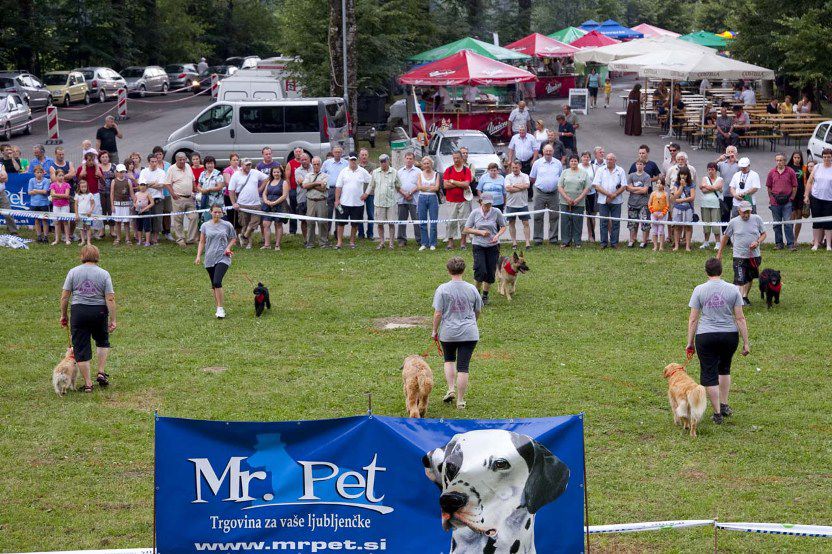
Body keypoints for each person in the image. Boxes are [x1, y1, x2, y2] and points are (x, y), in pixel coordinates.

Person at [687, 258, 750, 425]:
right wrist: (746, 342)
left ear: (706, 272)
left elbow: (693, 319)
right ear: (721, 271)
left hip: (706, 336)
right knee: (724, 369)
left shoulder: (699, 290)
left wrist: (690, 342)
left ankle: (717, 413)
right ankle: (724, 404)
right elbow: (740, 318)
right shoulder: (733, 289)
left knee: (709, 373)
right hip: (729, 335)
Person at [60, 244, 116, 393]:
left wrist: (64, 315)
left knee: (80, 347)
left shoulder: (73, 272)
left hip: (79, 312)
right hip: (99, 312)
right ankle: (101, 372)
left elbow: (65, 297)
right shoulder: (104, 274)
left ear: (81, 256)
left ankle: (88, 384)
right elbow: (110, 298)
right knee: (102, 341)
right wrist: (113, 319)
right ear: (97, 256)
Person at [432, 256, 482, 410]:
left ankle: (450, 389)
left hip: (448, 333)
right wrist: (473, 321)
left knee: (449, 360)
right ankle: (460, 400)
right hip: (469, 332)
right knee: (463, 367)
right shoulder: (472, 288)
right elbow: (478, 310)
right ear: (464, 270)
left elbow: (438, 313)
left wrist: (434, 330)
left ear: (448, 270)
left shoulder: (442, 289)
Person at [718, 201, 766, 305]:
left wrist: (757, 242)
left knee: (750, 277)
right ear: (739, 211)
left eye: (748, 212)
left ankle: (745, 297)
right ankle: (737, 300)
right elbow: (725, 237)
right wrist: (719, 253)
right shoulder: (733, 222)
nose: (746, 214)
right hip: (739, 255)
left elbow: (763, 234)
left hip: (754, 255)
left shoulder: (757, 219)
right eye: (744, 212)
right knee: (739, 279)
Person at [195, 204, 237, 319]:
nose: (217, 214)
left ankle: (220, 308)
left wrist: (228, 248)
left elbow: (233, 238)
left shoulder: (227, 225)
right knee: (214, 284)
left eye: (219, 212)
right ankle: (218, 306)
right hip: (209, 258)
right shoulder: (205, 226)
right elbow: (202, 242)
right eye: (215, 212)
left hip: (223, 257)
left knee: (217, 281)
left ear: (222, 213)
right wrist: (198, 256)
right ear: (210, 212)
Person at [463, 193, 506, 305]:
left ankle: (485, 296)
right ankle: (475, 296)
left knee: (490, 272)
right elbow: (466, 229)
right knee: (480, 270)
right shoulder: (475, 213)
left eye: (490, 204)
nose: (488, 206)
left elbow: (503, 226)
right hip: (478, 245)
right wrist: (479, 232)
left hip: (493, 246)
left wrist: (497, 235)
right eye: (486, 204)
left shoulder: (496, 212)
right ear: (481, 202)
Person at [229, 158, 269, 248]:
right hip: (242, 203)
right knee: (245, 224)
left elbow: (267, 178)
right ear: (242, 165)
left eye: (250, 164)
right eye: (246, 165)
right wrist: (233, 203)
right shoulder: (236, 175)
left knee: (255, 222)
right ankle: (248, 243)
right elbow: (231, 190)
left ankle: (244, 236)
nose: (248, 166)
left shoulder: (255, 172)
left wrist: (260, 188)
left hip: (256, 203)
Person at [334, 154, 371, 249]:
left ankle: (352, 242)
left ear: (357, 160)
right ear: (348, 161)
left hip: (358, 204)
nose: (353, 162)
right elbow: (338, 187)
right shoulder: (343, 172)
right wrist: (337, 200)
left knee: (355, 224)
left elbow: (372, 182)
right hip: (344, 203)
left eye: (354, 160)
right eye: (351, 160)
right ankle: (339, 242)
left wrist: (366, 193)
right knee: (340, 223)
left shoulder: (362, 171)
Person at [592, 153, 627, 249]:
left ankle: (614, 243)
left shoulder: (620, 170)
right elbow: (596, 185)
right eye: (607, 159)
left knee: (616, 222)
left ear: (615, 160)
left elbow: (624, 185)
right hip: (603, 200)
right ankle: (603, 243)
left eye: (611, 159)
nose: (608, 161)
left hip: (617, 201)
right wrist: (608, 195)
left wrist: (614, 195)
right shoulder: (600, 170)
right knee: (603, 222)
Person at [530, 144, 562, 246]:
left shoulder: (558, 163)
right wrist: (542, 185)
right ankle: (538, 239)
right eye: (546, 151)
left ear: (553, 152)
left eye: (550, 151)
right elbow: (532, 178)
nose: (548, 153)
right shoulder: (537, 163)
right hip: (540, 193)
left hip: (554, 193)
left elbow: (561, 178)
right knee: (538, 216)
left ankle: (553, 238)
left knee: (554, 216)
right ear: (543, 151)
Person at [557, 154, 591, 248]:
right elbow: (560, 186)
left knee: (577, 222)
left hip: (579, 202)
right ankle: (565, 241)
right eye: (571, 161)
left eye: (575, 161)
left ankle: (577, 242)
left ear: (578, 162)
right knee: (565, 222)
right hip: (565, 201)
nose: (573, 163)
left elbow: (587, 187)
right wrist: (567, 198)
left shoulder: (583, 173)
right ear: (569, 162)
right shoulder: (565, 172)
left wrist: (578, 199)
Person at [164, 152, 198, 246]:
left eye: (184, 159)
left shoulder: (187, 166)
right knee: (178, 220)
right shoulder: (172, 169)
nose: (183, 161)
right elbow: (167, 183)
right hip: (178, 198)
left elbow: (192, 179)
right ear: (176, 160)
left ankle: (191, 239)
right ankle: (180, 239)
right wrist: (173, 194)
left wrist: (195, 189)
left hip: (189, 197)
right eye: (180, 160)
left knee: (194, 217)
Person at [766, 153, 798, 250]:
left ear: (785, 161)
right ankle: (779, 243)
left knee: (788, 223)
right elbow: (769, 187)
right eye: (777, 160)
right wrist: (771, 198)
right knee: (777, 223)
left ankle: (790, 244)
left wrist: (791, 198)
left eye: (781, 160)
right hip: (775, 202)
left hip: (787, 202)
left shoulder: (790, 171)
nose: (779, 162)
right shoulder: (772, 172)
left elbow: (795, 186)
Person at [367, 154, 400, 249]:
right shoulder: (375, 172)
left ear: (388, 161)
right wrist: (365, 194)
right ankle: (382, 242)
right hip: (379, 202)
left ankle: (391, 243)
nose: (383, 163)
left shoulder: (394, 172)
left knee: (391, 223)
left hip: (391, 203)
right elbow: (371, 185)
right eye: (381, 161)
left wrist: (403, 195)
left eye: (384, 161)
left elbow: (398, 185)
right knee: (380, 223)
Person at [443, 151, 473, 250]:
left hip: (464, 200)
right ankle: (450, 241)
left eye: (457, 158)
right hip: (451, 201)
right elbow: (445, 185)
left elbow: (466, 184)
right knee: (451, 222)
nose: (456, 160)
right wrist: (460, 183)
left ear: (461, 158)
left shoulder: (466, 170)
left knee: (464, 222)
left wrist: (453, 181)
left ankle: (463, 242)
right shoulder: (449, 170)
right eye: (454, 158)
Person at [804, 148, 832, 251]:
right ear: (822, 157)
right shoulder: (817, 167)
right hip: (816, 198)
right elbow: (810, 182)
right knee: (816, 222)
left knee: (828, 223)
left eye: (828, 157)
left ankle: (828, 245)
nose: (826, 159)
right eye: (824, 157)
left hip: (829, 200)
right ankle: (816, 244)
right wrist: (806, 195)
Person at [138, 154, 167, 244]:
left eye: (156, 161)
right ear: (148, 162)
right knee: (147, 219)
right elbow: (142, 185)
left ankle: (155, 237)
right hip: (145, 198)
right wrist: (153, 183)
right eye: (152, 161)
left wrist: (148, 184)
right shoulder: (144, 171)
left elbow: (161, 186)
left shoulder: (161, 172)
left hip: (157, 198)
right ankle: (147, 238)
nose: (154, 163)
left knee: (157, 218)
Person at [302, 157, 330, 248]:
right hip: (310, 201)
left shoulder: (325, 176)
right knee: (310, 222)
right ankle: (310, 243)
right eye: (314, 164)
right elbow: (304, 185)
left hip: (321, 201)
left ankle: (323, 242)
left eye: (318, 164)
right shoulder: (308, 175)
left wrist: (311, 185)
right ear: (312, 164)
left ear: (321, 165)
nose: (316, 166)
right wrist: (317, 183)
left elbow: (323, 189)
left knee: (322, 222)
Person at [260, 165, 289, 250]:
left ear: (281, 173)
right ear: (272, 173)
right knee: (266, 224)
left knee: (278, 224)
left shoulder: (284, 182)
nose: (276, 174)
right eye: (274, 172)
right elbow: (264, 193)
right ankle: (267, 244)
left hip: (279, 206)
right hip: (267, 205)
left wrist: (274, 202)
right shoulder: (269, 182)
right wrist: (266, 201)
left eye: (278, 172)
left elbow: (284, 196)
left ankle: (277, 245)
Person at [504, 160, 531, 249]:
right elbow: (508, 188)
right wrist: (520, 187)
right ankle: (514, 243)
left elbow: (527, 186)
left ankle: (527, 243)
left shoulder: (525, 176)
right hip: (511, 204)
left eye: (516, 167)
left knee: (526, 223)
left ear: (520, 167)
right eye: (513, 168)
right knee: (511, 223)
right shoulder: (508, 177)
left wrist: (514, 185)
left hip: (523, 204)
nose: (515, 169)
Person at [396, 152, 421, 247]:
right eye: (407, 158)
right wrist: (404, 194)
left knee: (416, 220)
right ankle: (401, 240)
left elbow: (419, 184)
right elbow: (397, 185)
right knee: (401, 220)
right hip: (402, 199)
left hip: (414, 199)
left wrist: (410, 193)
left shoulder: (418, 171)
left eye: (411, 158)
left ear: (413, 160)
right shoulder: (399, 171)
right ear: (404, 159)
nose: (409, 160)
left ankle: (419, 240)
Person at [417, 156, 440, 251]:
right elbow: (419, 187)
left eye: (428, 163)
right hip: (422, 197)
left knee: (433, 222)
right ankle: (424, 243)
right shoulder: (420, 174)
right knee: (422, 221)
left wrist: (425, 187)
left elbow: (436, 188)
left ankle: (433, 243)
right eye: (425, 163)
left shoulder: (436, 174)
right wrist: (430, 187)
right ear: (422, 165)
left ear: (431, 164)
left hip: (433, 198)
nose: (427, 165)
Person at [626, 159, 651, 248]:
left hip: (643, 203)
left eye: (641, 164)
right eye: (637, 164)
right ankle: (632, 240)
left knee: (644, 222)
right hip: (632, 202)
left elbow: (645, 190)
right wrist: (639, 189)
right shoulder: (631, 175)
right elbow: (628, 188)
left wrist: (634, 189)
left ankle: (644, 241)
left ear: (644, 166)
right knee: (632, 222)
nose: (639, 166)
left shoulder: (647, 176)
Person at [699, 162, 724, 250]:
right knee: (706, 223)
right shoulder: (704, 178)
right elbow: (703, 190)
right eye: (709, 169)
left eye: (712, 169)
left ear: (716, 170)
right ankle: (706, 242)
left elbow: (717, 187)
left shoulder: (720, 179)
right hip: (705, 204)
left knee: (715, 224)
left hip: (716, 205)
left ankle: (717, 242)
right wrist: (711, 187)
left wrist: (706, 186)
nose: (710, 171)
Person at [321, 146, 349, 225]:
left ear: (342, 153)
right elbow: (321, 175)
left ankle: (337, 233)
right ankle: (327, 233)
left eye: (339, 152)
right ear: (333, 153)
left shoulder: (346, 163)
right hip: (330, 190)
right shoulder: (327, 163)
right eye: (336, 152)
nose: (337, 154)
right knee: (328, 212)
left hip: (341, 190)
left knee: (340, 211)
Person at [671, 167, 696, 252]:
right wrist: (681, 186)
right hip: (678, 208)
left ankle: (687, 246)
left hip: (688, 208)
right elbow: (675, 196)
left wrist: (681, 200)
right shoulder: (676, 184)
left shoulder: (691, 184)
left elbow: (692, 197)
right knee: (677, 227)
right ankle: (677, 245)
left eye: (685, 174)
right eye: (681, 174)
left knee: (688, 227)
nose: (683, 176)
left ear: (687, 175)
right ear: (679, 175)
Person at [110, 164, 135, 245]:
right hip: (117, 204)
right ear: (116, 172)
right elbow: (112, 194)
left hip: (126, 204)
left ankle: (128, 238)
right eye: (120, 172)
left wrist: (134, 202)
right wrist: (112, 205)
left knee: (127, 222)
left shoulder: (128, 181)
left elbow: (131, 193)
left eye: (123, 172)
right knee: (118, 222)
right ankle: (118, 238)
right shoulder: (114, 181)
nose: (122, 174)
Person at [197, 156, 224, 224]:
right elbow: (199, 185)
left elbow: (220, 187)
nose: (210, 165)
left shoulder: (218, 174)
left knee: (217, 221)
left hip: (216, 203)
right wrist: (201, 190)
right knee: (206, 221)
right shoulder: (202, 174)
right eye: (208, 163)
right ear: (205, 164)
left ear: (214, 164)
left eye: (211, 163)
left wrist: (209, 189)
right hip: (205, 201)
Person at [27, 165, 51, 243]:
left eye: (41, 172)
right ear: (34, 173)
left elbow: (45, 191)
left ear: (43, 173)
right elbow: (29, 192)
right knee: (37, 220)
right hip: (34, 204)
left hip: (44, 204)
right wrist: (39, 191)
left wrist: (35, 190)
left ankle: (46, 237)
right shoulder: (31, 180)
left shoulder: (46, 180)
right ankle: (39, 236)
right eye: (37, 172)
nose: (39, 174)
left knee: (44, 220)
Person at [716, 146, 739, 222]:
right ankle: (725, 233)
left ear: (736, 153)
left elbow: (746, 170)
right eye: (729, 152)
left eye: (732, 152)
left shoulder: (739, 164)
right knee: (724, 217)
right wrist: (719, 159)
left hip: (736, 194)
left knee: (736, 217)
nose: (730, 154)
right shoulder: (721, 164)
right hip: (724, 194)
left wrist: (736, 160)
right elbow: (711, 167)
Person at [787, 151, 807, 239]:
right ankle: (790, 239)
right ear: (792, 158)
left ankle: (795, 239)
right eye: (795, 157)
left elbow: (807, 181)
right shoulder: (788, 168)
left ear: (801, 158)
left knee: (799, 217)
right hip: (791, 195)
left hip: (801, 194)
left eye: (798, 158)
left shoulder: (804, 168)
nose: (797, 159)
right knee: (791, 216)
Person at [357, 148, 376, 240]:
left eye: (365, 155)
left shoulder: (373, 166)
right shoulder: (357, 167)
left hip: (370, 194)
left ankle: (370, 234)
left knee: (371, 215)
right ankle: (360, 234)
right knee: (359, 215)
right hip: (359, 194)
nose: (364, 156)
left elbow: (372, 179)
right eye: (362, 155)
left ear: (368, 156)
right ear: (359, 156)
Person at [49, 169, 72, 245]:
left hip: (65, 205)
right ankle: (56, 239)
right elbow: (52, 195)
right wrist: (61, 196)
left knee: (65, 222)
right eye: (59, 175)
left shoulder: (67, 185)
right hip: (56, 206)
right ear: (56, 176)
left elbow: (66, 195)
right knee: (57, 222)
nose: (61, 177)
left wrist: (56, 195)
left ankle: (67, 239)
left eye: (62, 175)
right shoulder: (52, 185)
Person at [286, 147, 306, 235]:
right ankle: (292, 231)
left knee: (303, 209)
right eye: (296, 152)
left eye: (300, 151)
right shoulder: (290, 163)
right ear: (294, 153)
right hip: (293, 190)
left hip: (304, 190)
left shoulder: (305, 163)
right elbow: (287, 178)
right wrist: (289, 189)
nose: (298, 153)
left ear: (302, 152)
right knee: (293, 210)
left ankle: (305, 230)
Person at [97, 150, 116, 239]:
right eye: (103, 157)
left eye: (106, 157)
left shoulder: (113, 166)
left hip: (111, 192)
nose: (105, 159)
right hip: (100, 192)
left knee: (111, 211)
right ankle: (102, 230)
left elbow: (117, 176)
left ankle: (112, 230)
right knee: (102, 211)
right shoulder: (97, 167)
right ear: (100, 158)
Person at [222, 153, 242, 231]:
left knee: (239, 216)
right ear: (230, 161)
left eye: (237, 160)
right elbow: (228, 183)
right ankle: (231, 233)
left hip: (240, 195)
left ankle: (239, 233)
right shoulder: (227, 170)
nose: (236, 161)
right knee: (231, 215)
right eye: (234, 160)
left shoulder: (241, 169)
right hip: (229, 196)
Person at [648, 180, 669, 251]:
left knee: (661, 230)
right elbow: (649, 204)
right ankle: (655, 246)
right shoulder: (653, 194)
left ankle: (661, 246)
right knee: (654, 230)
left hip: (662, 214)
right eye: (658, 183)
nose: (659, 185)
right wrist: (653, 212)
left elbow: (667, 205)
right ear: (656, 185)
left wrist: (663, 213)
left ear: (664, 185)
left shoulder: (665, 194)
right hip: (654, 214)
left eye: (661, 183)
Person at [133, 180, 154, 246]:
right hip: (138, 212)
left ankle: (147, 241)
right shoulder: (136, 194)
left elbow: (152, 203)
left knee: (147, 227)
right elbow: (134, 202)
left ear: (146, 186)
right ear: (139, 186)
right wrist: (135, 205)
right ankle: (140, 241)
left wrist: (145, 209)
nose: (142, 187)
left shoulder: (148, 194)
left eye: (144, 185)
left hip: (146, 212)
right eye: (141, 185)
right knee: (139, 226)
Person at [0, 154, 17, 233]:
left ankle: (13, 231)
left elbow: (5, 179)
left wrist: (2, 177)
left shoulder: (1, 164)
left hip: (1, 192)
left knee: (8, 212)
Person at [74, 180, 95, 245]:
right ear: (79, 187)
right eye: (82, 187)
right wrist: (76, 214)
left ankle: (88, 241)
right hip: (80, 215)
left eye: (85, 187)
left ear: (87, 187)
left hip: (87, 215)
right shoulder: (77, 195)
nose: (84, 188)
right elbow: (76, 205)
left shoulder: (90, 195)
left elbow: (93, 204)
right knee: (81, 228)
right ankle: (83, 241)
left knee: (88, 228)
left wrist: (90, 211)